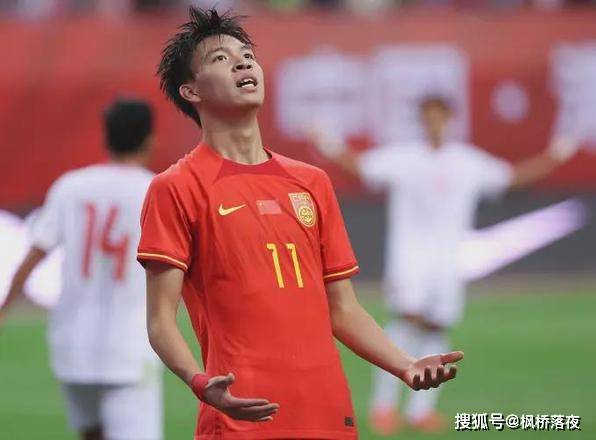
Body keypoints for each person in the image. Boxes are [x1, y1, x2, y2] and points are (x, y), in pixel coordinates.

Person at [138, 7, 463, 440]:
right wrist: (199, 383)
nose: (243, 63)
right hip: (242, 415)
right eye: (220, 58)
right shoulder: (176, 187)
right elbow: (160, 320)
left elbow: (343, 310)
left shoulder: (311, 182)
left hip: (327, 410)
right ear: (191, 90)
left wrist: (405, 364)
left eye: (247, 55)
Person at [307, 95, 580, 435]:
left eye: (439, 117)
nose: (434, 123)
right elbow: (360, 168)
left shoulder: (466, 162)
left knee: (437, 327)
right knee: (405, 324)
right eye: (428, 117)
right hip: (410, 259)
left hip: (448, 261)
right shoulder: (405, 159)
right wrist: (328, 143)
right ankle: (383, 407)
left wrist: (556, 155)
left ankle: (420, 411)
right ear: (422, 120)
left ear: (449, 119)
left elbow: (512, 178)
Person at [0, 98, 163, 440]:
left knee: (92, 434)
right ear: (149, 139)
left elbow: (34, 255)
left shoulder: (71, 186)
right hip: (129, 348)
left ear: (106, 137)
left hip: (72, 347)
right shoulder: (156, 190)